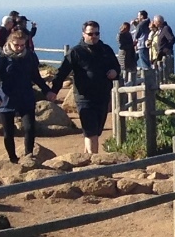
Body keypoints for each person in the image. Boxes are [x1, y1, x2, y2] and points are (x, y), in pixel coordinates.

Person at [51, 21, 123, 156]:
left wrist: (114, 72)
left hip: (102, 97)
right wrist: (53, 91)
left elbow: (117, 67)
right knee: (91, 132)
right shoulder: (76, 52)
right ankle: (94, 164)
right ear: (83, 34)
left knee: (95, 131)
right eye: (90, 34)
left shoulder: (106, 49)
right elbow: (62, 72)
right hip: (84, 98)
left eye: (96, 33)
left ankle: (86, 159)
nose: (94, 36)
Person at [0, 30, 50, 164]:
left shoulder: (30, 56)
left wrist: (47, 91)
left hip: (26, 97)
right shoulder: (1, 57)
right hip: (6, 99)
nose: (20, 48)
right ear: (10, 43)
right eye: (17, 45)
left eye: (23, 45)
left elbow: (36, 77)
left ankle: (29, 155)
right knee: (8, 132)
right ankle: (13, 158)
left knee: (29, 128)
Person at [148, 15, 175, 79]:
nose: (154, 23)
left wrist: (166, 49)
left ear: (159, 22)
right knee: (157, 68)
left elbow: (172, 39)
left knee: (160, 69)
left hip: (163, 53)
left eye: (155, 21)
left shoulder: (165, 28)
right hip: (160, 53)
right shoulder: (161, 29)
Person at [131, 11, 152, 75]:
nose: (137, 17)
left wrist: (134, 43)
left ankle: (147, 78)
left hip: (141, 44)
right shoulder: (148, 22)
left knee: (144, 63)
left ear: (142, 16)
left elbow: (137, 34)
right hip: (146, 44)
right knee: (145, 60)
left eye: (138, 16)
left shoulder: (141, 24)